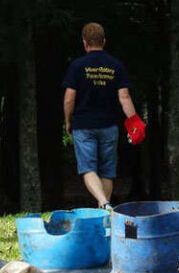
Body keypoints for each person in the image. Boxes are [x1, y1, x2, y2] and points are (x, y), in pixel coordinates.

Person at [62, 22, 145, 210]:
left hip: (83, 125)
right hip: (109, 126)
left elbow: (69, 98)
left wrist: (68, 121)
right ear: (104, 41)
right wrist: (134, 121)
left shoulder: (77, 66)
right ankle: (105, 211)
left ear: (84, 42)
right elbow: (124, 97)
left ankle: (105, 203)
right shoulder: (116, 65)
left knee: (88, 168)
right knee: (107, 172)